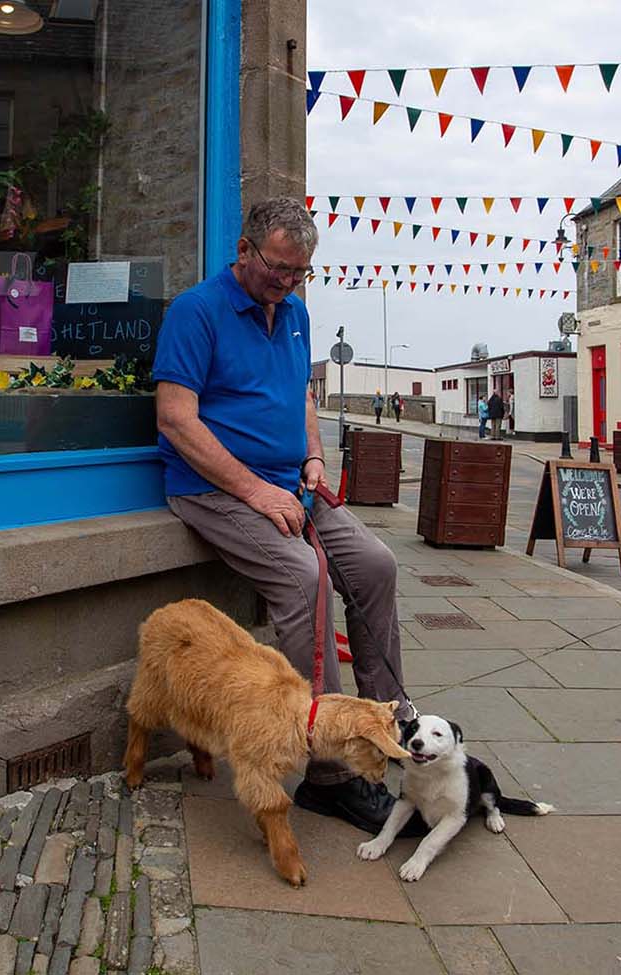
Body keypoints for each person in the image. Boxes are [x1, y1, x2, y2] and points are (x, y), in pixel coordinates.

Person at [152, 197, 415, 834]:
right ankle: (329, 775)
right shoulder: (196, 311)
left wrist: (315, 458)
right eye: (278, 270)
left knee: (376, 565)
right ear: (244, 251)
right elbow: (175, 420)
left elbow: (302, 396)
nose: (288, 284)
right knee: (305, 580)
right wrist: (256, 492)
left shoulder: (294, 311)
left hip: (292, 486)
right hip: (214, 490)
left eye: (300, 274)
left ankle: (385, 725)